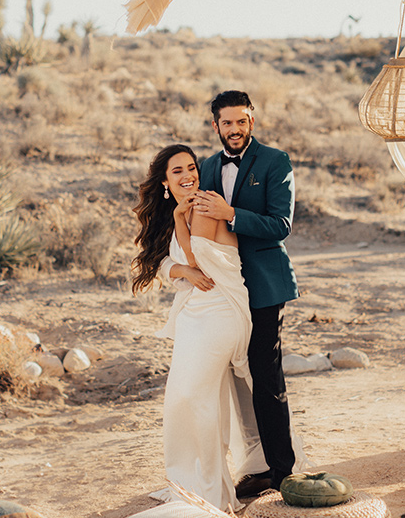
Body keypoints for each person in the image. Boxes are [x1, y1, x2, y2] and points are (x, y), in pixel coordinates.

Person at [132, 144, 254, 513]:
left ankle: (209, 491)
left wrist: (181, 223)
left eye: (191, 168)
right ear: (165, 182)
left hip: (219, 314)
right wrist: (182, 269)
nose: (188, 176)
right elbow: (174, 265)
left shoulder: (202, 206)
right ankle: (189, 480)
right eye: (177, 172)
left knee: (194, 398)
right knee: (186, 400)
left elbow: (197, 257)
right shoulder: (179, 210)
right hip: (194, 315)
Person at [192, 90, 299, 496]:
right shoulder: (206, 166)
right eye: (226, 123)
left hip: (264, 287)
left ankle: (281, 471)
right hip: (221, 288)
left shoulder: (276, 161)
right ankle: (230, 468)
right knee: (224, 378)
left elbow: (280, 225)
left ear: (251, 121)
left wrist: (231, 214)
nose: (234, 130)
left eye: (241, 121)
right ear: (215, 125)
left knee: (264, 373)